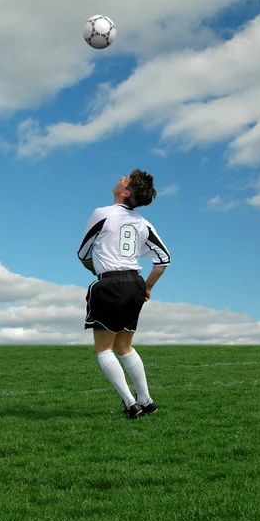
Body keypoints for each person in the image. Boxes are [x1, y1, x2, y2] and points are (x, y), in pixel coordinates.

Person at [77, 169, 171, 419]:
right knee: (124, 345)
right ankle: (147, 400)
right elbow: (163, 260)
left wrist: (100, 271)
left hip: (111, 284)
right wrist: (148, 287)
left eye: (124, 179)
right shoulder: (144, 223)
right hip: (135, 284)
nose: (120, 178)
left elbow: (83, 254)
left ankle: (131, 404)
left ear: (126, 192)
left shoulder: (102, 213)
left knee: (103, 349)